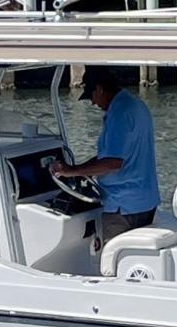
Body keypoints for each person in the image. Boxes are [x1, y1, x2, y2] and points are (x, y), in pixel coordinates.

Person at [49, 68, 158, 241]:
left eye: (91, 96)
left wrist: (70, 171)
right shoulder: (137, 106)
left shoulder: (119, 114)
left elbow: (113, 162)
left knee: (111, 255)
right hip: (145, 202)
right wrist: (81, 170)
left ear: (99, 89)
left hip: (122, 207)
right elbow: (117, 156)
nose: (93, 103)